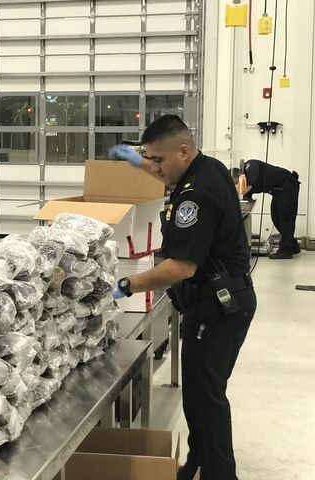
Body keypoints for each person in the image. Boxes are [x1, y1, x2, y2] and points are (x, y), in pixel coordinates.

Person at [109, 115, 256, 480]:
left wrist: (127, 285)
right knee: (197, 394)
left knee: (206, 398)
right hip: (214, 300)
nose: (154, 167)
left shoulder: (197, 194)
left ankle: (220, 474)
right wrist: (136, 158)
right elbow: (160, 163)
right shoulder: (203, 167)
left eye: (158, 159)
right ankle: (197, 464)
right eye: (149, 158)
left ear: (184, 151)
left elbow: (182, 267)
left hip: (219, 307)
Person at [242, 159, 300, 259]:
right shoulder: (247, 178)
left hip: (287, 185)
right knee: (276, 218)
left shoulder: (250, 165)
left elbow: (251, 182)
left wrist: (239, 193)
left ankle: (285, 251)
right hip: (278, 191)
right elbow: (247, 194)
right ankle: (293, 246)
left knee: (285, 219)